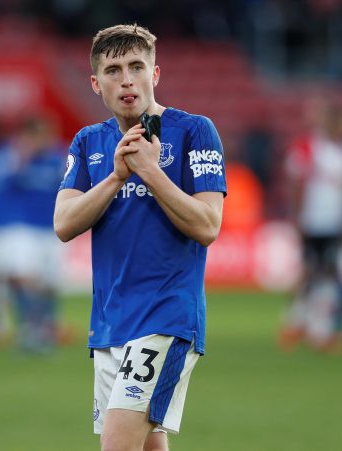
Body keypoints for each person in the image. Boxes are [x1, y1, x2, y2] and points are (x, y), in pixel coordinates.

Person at [54, 24, 226, 451]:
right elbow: (64, 223)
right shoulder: (89, 141)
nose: (127, 80)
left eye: (137, 67)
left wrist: (149, 171)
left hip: (167, 316)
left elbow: (208, 225)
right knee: (148, 444)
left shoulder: (194, 131)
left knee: (118, 446)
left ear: (155, 74)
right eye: (113, 71)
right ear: (96, 83)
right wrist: (117, 176)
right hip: (109, 322)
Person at [0, 117, 65, 352]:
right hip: (23, 229)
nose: (43, 140)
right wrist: (21, 160)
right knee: (24, 277)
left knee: (49, 283)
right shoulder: (14, 158)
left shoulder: (58, 159)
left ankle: (45, 326)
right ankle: (28, 328)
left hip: (53, 229)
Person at [278, 99, 342, 352]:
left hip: (335, 221)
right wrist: (298, 215)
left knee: (328, 275)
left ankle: (316, 328)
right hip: (313, 221)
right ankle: (297, 322)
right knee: (310, 274)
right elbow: (295, 182)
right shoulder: (310, 146)